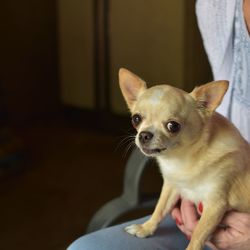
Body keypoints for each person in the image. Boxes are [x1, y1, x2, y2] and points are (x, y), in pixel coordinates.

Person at [68, 0, 250, 249]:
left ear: (205, 106)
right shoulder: (215, 6)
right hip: (201, 216)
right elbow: (174, 180)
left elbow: (215, 200)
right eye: (138, 119)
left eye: (171, 125)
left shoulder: (225, 149)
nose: (145, 133)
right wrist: (152, 223)